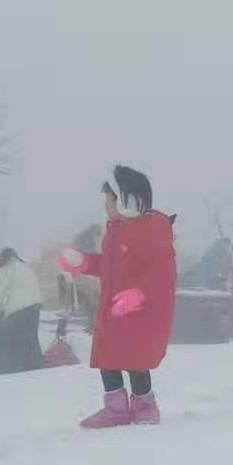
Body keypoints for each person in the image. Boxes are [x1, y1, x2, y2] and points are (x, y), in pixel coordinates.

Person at [67, 166, 177, 428]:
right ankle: (115, 408)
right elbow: (109, 266)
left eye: (110, 199)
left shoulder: (152, 231)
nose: (106, 206)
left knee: (135, 359)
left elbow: (162, 274)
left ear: (128, 201)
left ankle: (145, 405)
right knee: (109, 357)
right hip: (114, 309)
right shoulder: (116, 231)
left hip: (139, 313)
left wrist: (139, 295)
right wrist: (83, 263)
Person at [0, 248, 47, 371]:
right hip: (35, 305)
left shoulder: (6, 269)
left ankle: (19, 367)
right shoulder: (25, 268)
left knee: (16, 339)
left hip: (18, 308)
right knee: (32, 337)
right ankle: (37, 366)